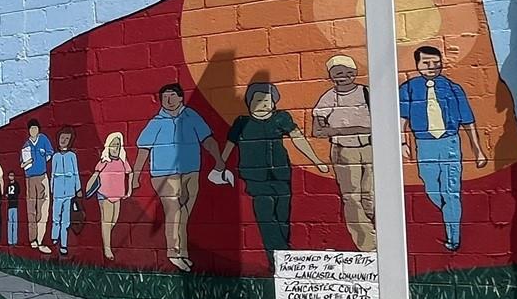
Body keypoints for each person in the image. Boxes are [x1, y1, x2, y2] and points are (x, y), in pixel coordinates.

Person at [216, 81, 332, 256]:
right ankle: (282, 256)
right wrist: (220, 164)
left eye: (267, 101)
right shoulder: (242, 122)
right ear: (249, 102)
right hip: (256, 178)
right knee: (266, 219)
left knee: (282, 219)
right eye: (258, 100)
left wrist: (316, 161)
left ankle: (279, 260)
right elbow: (230, 144)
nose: (263, 105)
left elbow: (297, 138)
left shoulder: (281, 118)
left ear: (274, 103)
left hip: (281, 175)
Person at [398, 44, 486, 252]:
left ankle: (453, 237)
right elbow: (401, 118)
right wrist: (402, 142)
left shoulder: (453, 88)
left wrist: (478, 150)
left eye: (436, 63)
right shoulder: (409, 88)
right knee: (431, 188)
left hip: (449, 143)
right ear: (418, 64)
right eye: (426, 63)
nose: (432, 67)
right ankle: (450, 211)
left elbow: (468, 120)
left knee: (451, 191)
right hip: (425, 143)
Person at [133, 83, 222, 271]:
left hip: (191, 171)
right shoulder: (156, 122)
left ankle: (182, 252)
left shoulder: (191, 116)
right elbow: (143, 149)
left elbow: (207, 139)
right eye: (165, 97)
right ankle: (173, 253)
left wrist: (219, 161)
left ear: (181, 98)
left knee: (184, 212)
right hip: (163, 174)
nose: (169, 100)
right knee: (173, 209)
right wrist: (135, 175)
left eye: (172, 95)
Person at [310, 56, 377, 252]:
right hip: (344, 151)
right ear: (331, 76)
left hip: (371, 148)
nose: (345, 77)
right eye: (339, 73)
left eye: (349, 72)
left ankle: (374, 233)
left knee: (370, 196)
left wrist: (342, 129)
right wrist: (355, 129)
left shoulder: (366, 92)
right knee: (351, 196)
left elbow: (382, 120)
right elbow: (318, 130)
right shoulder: (329, 98)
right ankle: (368, 246)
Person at [84, 131, 133, 261]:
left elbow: (130, 173)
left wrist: (129, 190)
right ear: (108, 146)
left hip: (118, 195)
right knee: (106, 221)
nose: (115, 148)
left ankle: (106, 238)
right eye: (113, 145)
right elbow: (95, 174)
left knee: (113, 220)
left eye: (117, 145)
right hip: (104, 195)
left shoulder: (123, 161)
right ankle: (107, 249)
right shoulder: (104, 161)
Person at [21, 118, 55, 251]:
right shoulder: (26, 145)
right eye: (31, 129)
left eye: (35, 128)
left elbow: (49, 153)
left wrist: (41, 162)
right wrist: (27, 163)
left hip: (42, 177)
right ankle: (32, 239)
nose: (33, 130)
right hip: (30, 178)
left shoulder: (43, 139)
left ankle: (40, 239)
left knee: (43, 208)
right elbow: (22, 163)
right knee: (31, 210)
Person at [47, 127, 81, 255]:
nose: (64, 141)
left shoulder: (72, 156)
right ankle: (54, 236)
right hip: (57, 191)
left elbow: (76, 172)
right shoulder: (55, 156)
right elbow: (52, 174)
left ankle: (64, 244)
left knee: (66, 220)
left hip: (69, 192)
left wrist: (78, 188)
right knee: (56, 217)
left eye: (67, 139)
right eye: (62, 138)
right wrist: (51, 189)